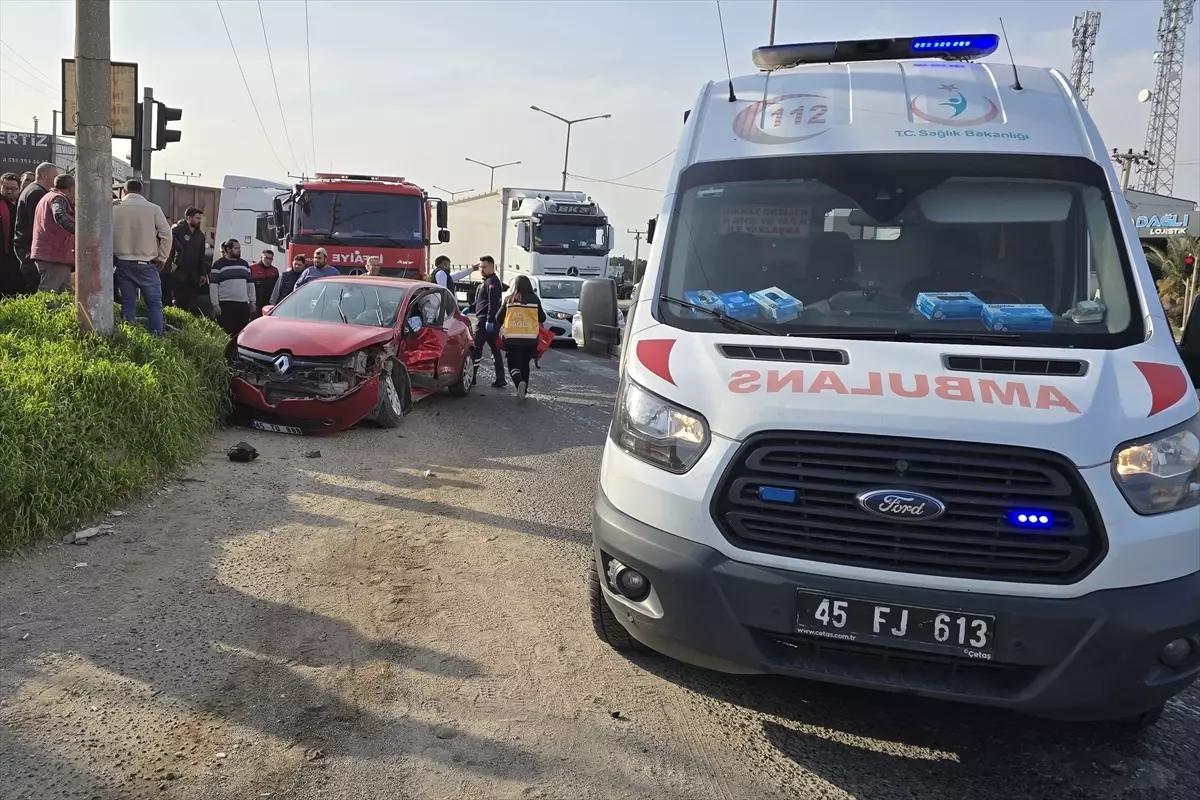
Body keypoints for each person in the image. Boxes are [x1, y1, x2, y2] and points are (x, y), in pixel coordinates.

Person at [112, 178, 172, 335]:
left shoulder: (114, 209)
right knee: (153, 304)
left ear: (124, 191)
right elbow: (166, 234)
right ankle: (157, 337)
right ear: (142, 191)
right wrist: (162, 257)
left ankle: (129, 338)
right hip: (146, 264)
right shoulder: (153, 209)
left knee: (127, 304)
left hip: (122, 263)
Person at [497, 274, 546, 401]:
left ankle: (519, 383)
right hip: (531, 338)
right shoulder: (535, 300)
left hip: (512, 338)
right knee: (525, 364)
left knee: (513, 364)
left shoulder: (509, 299)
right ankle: (524, 390)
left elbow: (498, 318)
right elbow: (543, 318)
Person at [13, 162, 58, 293]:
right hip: (31, 250)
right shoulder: (37, 193)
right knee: (37, 289)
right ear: (44, 175)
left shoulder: (32, 190)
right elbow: (39, 226)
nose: (56, 181)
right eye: (54, 177)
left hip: (26, 247)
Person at [30, 174, 76, 293]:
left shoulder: (48, 197)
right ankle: (41, 311)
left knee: (66, 292)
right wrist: (78, 230)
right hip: (54, 254)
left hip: (53, 254)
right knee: (48, 291)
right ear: (71, 188)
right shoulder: (58, 198)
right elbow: (59, 215)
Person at [209, 238, 256, 336]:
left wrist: (252, 301)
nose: (239, 250)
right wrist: (215, 304)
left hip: (242, 305)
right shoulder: (218, 265)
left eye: (239, 248)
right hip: (226, 305)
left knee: (241, 333)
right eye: (236, 248)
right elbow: (213, 286)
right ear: (228, 249)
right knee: (226, 333)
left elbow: (250, 284)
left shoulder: (244, 264)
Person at [165, 207, 207, 312]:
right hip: (178, 272)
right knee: (176, 299)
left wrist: (203, 273)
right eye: (197, 218)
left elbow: (202, 255)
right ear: (189, 217)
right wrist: (172, 264)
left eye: (200, 218)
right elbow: (171, 249)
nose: (199, 221)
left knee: (189, 302)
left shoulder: (200, 236)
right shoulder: (177, 231)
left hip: (193, 275)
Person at [473, 255, 506, 388]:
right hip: (485, 320)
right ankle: (500, 378)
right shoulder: (486, 281)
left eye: (484, 267)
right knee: (494, 350)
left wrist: (490, 320)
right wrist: (470, 307)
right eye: (480, 267)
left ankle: (472, 377)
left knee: (476, 349)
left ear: (492, 267)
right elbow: (482, 301)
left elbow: (493, 302)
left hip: (485, 322)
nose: (482, 269)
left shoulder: (492, 282)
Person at [0, 172, 22, 297]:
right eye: (6, 188)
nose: (10, 192)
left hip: (15, 253)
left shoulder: (20, 204)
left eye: (14, 189)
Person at [248, 248, 280, 312]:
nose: (268, 260)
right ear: (261, 257)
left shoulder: (275, 270)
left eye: (270, 259)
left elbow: (277, 288)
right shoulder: (252, 268)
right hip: (256, 305)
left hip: (269, 305)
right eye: (266, 258)